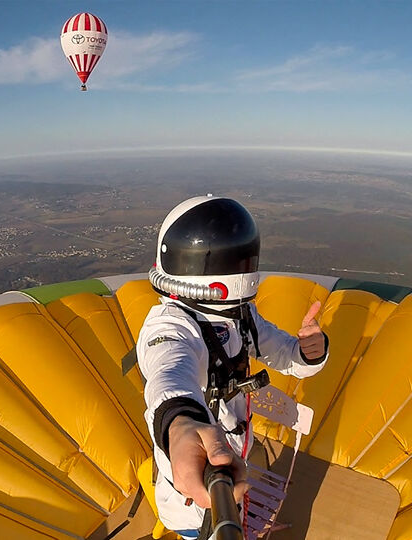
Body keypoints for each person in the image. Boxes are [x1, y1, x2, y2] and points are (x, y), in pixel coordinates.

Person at [137, 195, 329, 539]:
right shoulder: (169, 326)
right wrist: (180, 422)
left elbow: (283, 354)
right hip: (194, 489)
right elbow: (168, 372)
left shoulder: (240, 316)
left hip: (233, 461)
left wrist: (309, 353)